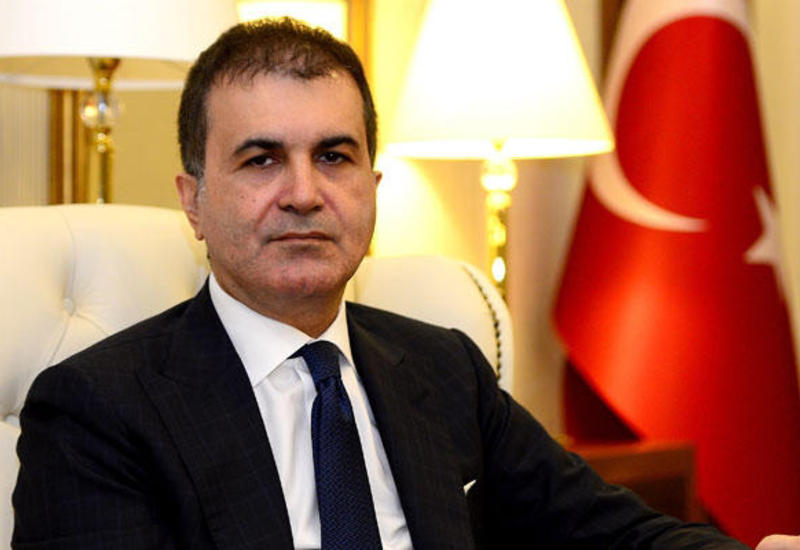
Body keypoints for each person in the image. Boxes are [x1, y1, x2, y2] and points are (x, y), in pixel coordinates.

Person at [11, 17, 799, 550]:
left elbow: (612, 533)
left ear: (372, 188)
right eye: (261, 159)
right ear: (194, 202)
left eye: (334, 156)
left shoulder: (443, 369)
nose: (303, 193)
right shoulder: (97, 410)